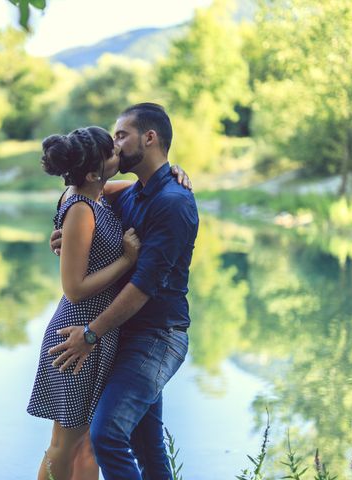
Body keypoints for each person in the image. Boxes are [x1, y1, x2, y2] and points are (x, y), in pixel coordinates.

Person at [48, 103, 199, 480]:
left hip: (157, 337)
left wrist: (91, 333)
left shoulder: (173, 202)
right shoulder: (133, 194)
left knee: (107, 434)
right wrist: (65, 236)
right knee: (147, 447)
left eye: (121, 136)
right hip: (123, 333)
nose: (114, 145)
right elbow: (82, 193)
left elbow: (143, 286)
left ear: (149, 138)